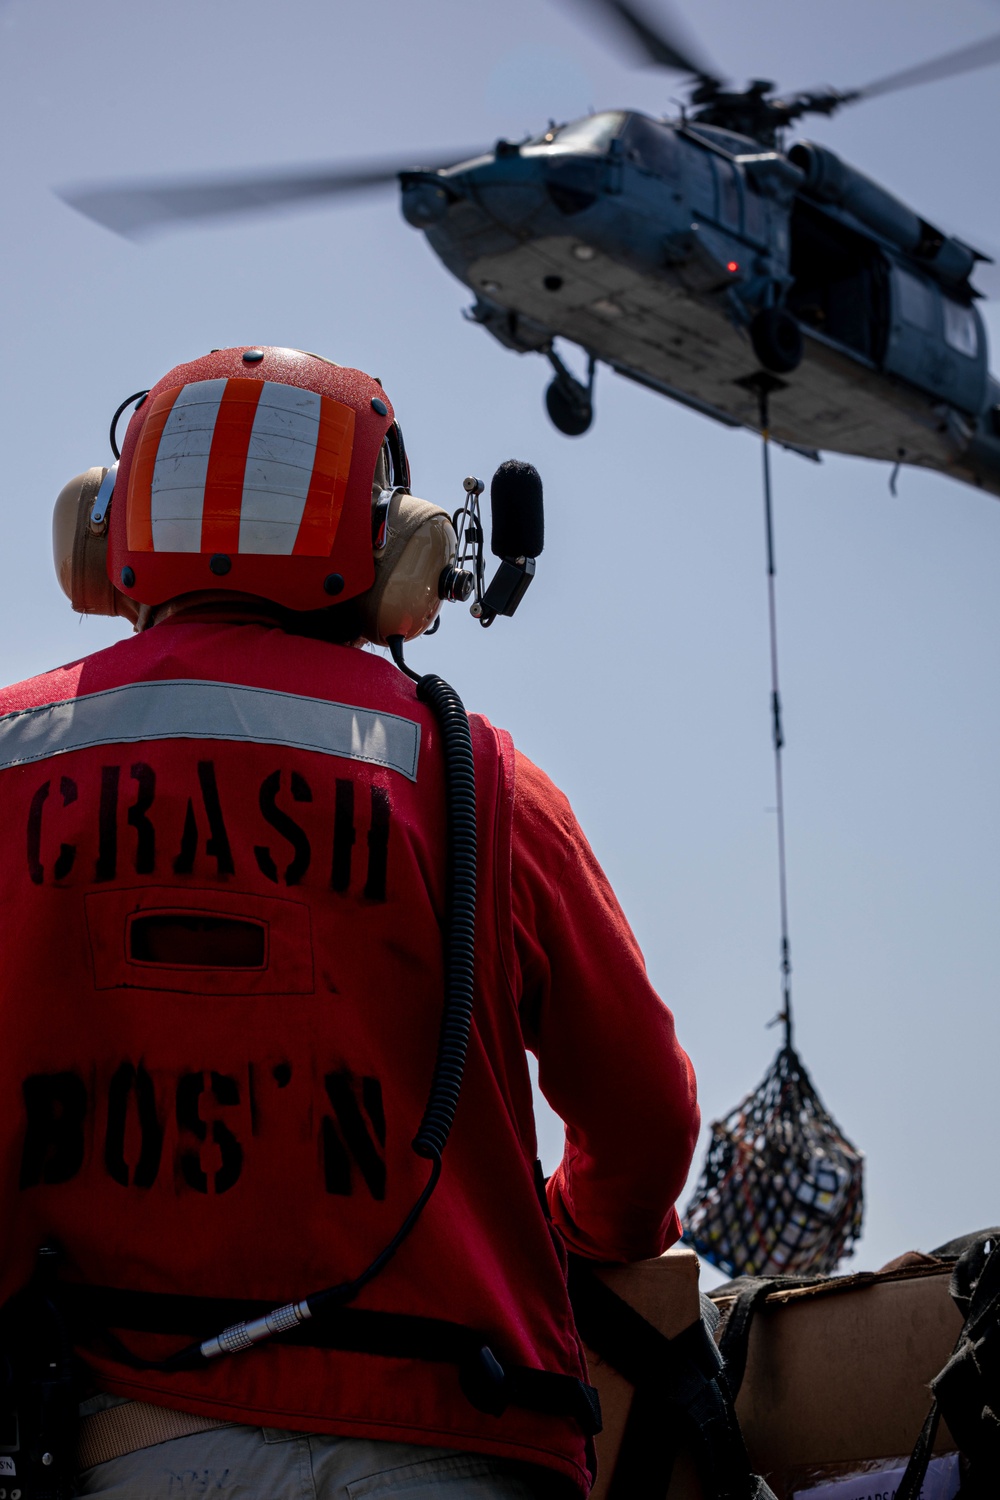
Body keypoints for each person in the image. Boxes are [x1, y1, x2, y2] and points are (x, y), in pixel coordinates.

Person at [0, 347, 699, 1498]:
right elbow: (644, 1122)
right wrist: (578, 1229)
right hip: (464, 1436)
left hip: (101, 1447)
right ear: (403, 555)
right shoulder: (484, 786)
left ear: (101, 537)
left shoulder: (20, 764)